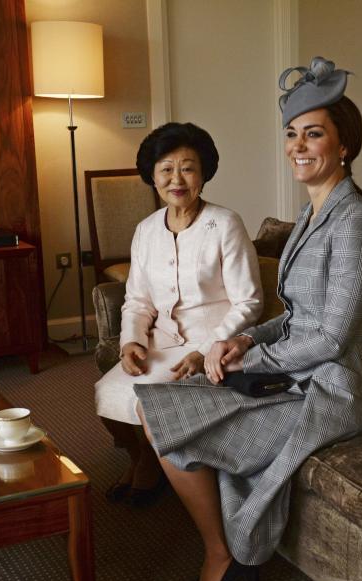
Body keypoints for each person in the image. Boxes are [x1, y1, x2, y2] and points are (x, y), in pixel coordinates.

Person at [134, 57, 362, 581]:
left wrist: (251, 360)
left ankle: (222, 558)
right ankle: (223, 550)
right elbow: (298, 315)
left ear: (345, 145)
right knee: (165, 415)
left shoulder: (357, 219)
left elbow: (335, 336)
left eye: (314, 134)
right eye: (292, 134)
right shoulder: (313, 210)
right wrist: (244, 339)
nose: (298, 145)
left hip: (332, 386)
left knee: (171, 426)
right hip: (294, 368)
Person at [94, 122, 263, 508]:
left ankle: (156, 468)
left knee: (147, 398)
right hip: (163, 340)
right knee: (107, 391)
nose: (177, 179)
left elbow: (249, 302)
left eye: (188, 168)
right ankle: (142, 460)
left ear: (204, 173)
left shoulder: (225, 224)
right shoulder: (146, 230)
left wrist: (206, 349)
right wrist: (131, 341)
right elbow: (137, 299)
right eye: (166, 169)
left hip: (214, 345)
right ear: (151, 175)